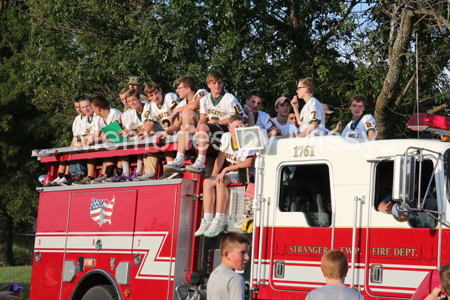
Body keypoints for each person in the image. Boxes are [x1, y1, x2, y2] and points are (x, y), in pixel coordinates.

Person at [194, 116, 255, 238]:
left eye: (241, 126)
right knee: (207, 182)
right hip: (234, 171)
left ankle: (219, 220)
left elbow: (248, 163)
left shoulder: (249, 138)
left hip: (249, 173)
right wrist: (213, 178)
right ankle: (207, 219)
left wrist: (225, 170)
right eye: (237, 127)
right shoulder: (226, 137)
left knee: (222, 181)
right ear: (230, 129)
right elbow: (220, 159)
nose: (239, 129)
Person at [175, 71, 246, 175]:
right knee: (185, 128)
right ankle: (179, 160)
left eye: (219, 82)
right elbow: (203, 117)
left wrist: (218, 121)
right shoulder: (205, 99)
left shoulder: (229, 98)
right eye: (214, 83)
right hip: (210, 127)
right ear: (208, 85)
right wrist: (199, 124)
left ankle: (200, 162)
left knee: (203, 127)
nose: (217, 85)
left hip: (226, 130)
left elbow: (239, 117)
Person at [164, 75, 209, 173]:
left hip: (207, 127)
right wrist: (165, 132)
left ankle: (198, 159)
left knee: (186, 112)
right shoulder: (182, 103)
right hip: (194, 129)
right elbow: (176, 125)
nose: (177, 91)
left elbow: (194, 105)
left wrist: (176, 110)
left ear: (188, 89)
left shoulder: (201, 92)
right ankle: (179, 160)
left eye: (179, 88)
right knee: (184, 128)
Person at [106, 89, 150, 182]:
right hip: (137, 138)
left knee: (139, 139)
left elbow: (147, 130)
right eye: (129, 101)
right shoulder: (127, 114)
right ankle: (126, 174)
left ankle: (138, 171)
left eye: (133, 100)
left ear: (139, 99)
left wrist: (131, 132)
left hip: (150, 135)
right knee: (123, 141)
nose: (130, 103)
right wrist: (116, 136)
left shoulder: (148, 107)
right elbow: (127, 131)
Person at [139, 82, 180, 179]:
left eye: (156, 93)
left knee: (164, 136)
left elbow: (178, 117)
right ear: (148, 98)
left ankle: (172, 168)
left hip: (179, 128)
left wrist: (167, 132)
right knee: (153, 138)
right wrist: (145, 134)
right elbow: (150, 121)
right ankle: (151, 173)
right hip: (169, 132)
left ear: (160, 91)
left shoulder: (169, 96)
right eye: (151, 95)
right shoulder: (152, 105)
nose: (155, 97)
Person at [47, 96, 86, 186]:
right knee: (66, 153)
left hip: (84, 145)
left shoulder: (89, 118)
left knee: (73, 153)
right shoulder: (77, 119)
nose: (79, 109)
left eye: (80, 106)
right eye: (76, 107)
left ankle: (67, 176)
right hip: (78, 144)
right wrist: (69, 149)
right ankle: (61, 176)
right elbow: (75, 137)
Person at [206, 232, 251, 300]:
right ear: (227, 255)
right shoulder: (235, 278)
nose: (247, 257)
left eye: (247, 252)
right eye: (242, 253)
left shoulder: (213, 274)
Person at [89, 95, 123, 184]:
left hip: (122, 140)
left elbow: (113, 135)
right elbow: (94, 138)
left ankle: (111, 173)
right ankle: (105, 174)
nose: (92, 110)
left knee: (109, 143)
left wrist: (100, 138)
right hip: (112, 142)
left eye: (93, 108)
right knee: (104, 144)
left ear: (98, 108)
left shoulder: (114, 113)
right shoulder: (98, 118)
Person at [73, 97, 97, 185]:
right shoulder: (83, 121)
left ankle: (89, 176)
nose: (85, 109)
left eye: (87, 106)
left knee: (90, 148)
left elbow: (97, 134)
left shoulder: (97, 116)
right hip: (89, 144)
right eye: (83, 107)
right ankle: (70, 176)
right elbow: (83, 139)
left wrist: (89, 138)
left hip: (99, 143)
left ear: (92, 105)